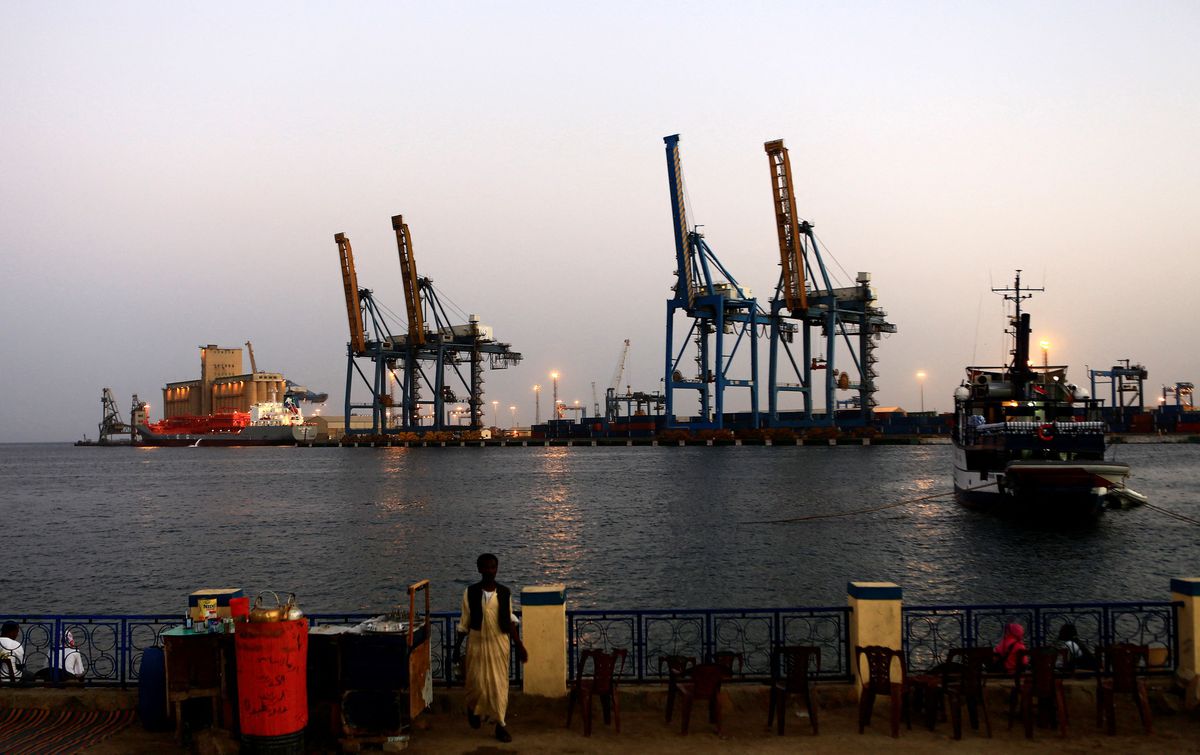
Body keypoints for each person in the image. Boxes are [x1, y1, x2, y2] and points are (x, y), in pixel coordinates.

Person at [456, 553, 528, 743]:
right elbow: (465, 623)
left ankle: (500, 725)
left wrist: (519, 644)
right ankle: (473, 709)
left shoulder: (504, 593)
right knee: (476, 685)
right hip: (477, 644)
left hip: (499, 644)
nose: (489, 571)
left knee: (499, 686)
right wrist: (456, 648)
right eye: (486, 567)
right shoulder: (470, 592)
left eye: (492, 567)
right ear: (479, 569)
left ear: (497, 569)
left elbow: (510, 620)